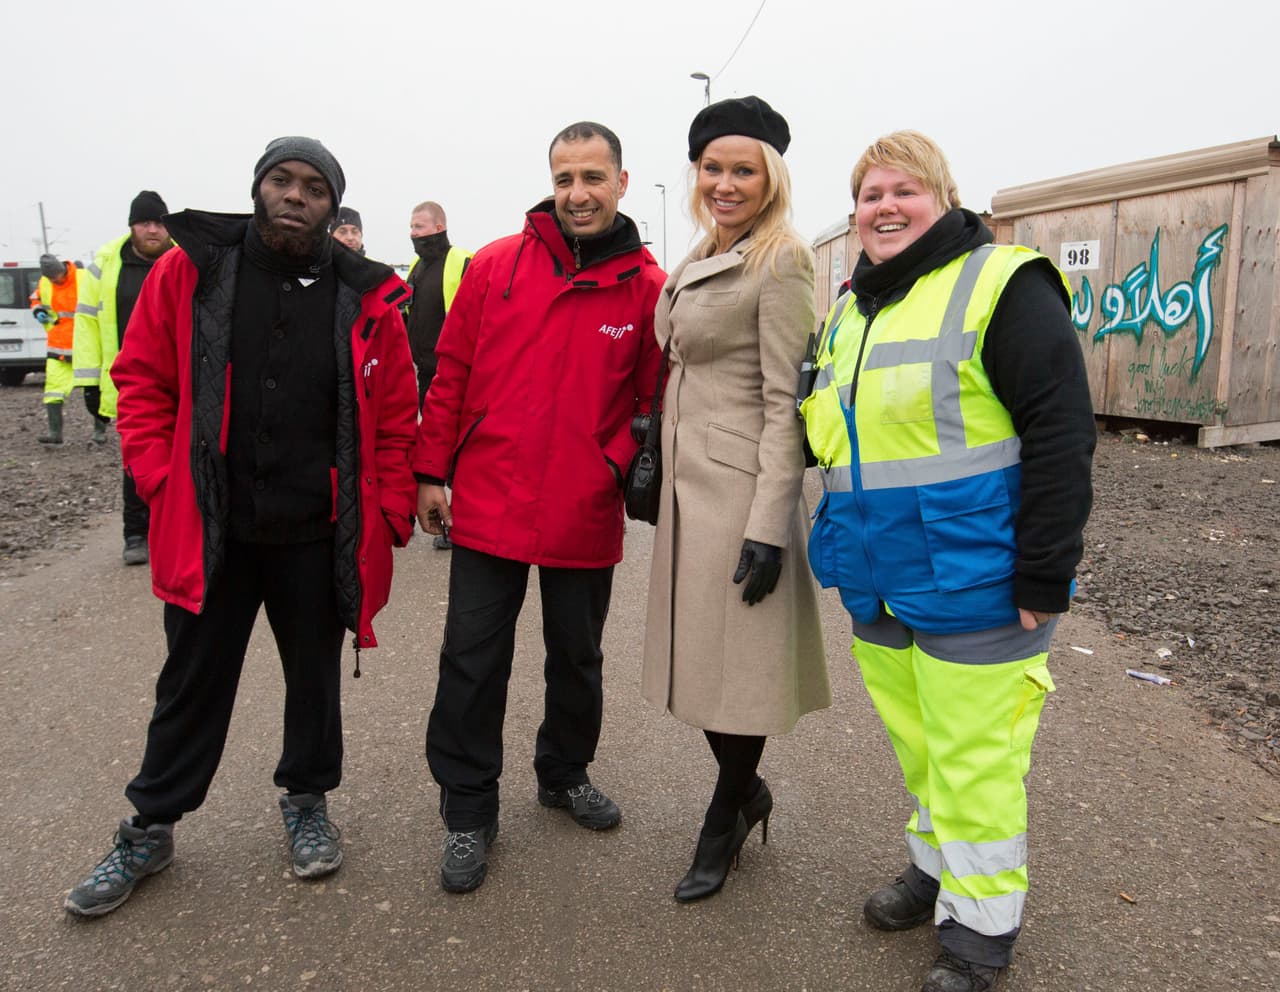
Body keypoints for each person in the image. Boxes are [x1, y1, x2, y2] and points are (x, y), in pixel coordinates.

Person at [62, 136, 418, 918]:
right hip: (214, 528)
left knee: (314, 682)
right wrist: (160, 483)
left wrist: (391, 507)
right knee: (190, 684)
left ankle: (307, 801)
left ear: (332, 206)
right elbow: (141, 381)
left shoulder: (364, 296)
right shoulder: (192, 273)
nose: (296, 196)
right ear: (258, 188)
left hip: (315, 531)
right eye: (282, 181)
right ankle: (150, 825)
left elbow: (396, 414)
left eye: (315, 188)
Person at [800, 130, 1095, 992]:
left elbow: (1061, 431)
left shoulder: (1002, 284)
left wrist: (1046, 571)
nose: (885, 207)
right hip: (878, 581)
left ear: (944, 197)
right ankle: (936, 869)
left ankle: (980, 931)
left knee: (976, 762)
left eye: (905, 190)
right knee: (924, 748)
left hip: (978, 579)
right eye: (870, 195)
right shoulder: (851, 310)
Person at [413, 121, 665, 894]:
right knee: (471, 659)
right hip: (489, 500)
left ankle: (563, 772)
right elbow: (450, 373)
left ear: (622, 183)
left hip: (583, 505)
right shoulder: (494, 267)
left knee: (577, 657)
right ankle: (468, 806)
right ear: (550, 183)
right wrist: (430, 473)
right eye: (564, 179)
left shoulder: (648, 289)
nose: (577, 194)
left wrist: (610, 465)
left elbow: (650, 401)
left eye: (592, 177)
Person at [640, 96, 831, 903]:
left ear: (771, 177)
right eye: (712, 168)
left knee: (738, 671)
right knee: (699, 666)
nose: (725, 183)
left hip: (741, 492)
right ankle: (748, 792)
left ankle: (725, 815)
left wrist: (770, 524)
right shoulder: (702, 252)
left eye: (742, 170)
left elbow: (787, 402)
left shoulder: (781, 259)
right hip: (690, 492)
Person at [73, 190, 174, 563]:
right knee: (138, 457)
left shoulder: (187, 259)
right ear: (132, 226)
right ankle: (135, 534)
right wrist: (88, 382)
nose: (153, 230)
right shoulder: (105, 266)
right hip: (129, 380)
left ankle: (178, 531)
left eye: (159, 223)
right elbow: (86, 324)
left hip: (178, 381)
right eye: (144, 223)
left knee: (182, 458)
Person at [405, 200, 473, 549]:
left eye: (419, 226)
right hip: (425, 373)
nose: (413, 233)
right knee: (432, 449)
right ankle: (441, 514)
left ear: (438, 227)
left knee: (460, 452)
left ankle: (462, 522)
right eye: (411, 227)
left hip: (458, 374)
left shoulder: (460, 260)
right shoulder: (416, 267)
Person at [30, 254, 81, 444]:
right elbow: (35, 299)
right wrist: (38, 311)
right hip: (57, 345)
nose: (54, 281)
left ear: (62, 270)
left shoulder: (83, 278)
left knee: (94, 389)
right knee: (53, 390)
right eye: (50, 278)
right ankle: (55, 433)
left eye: (55, 276)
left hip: (84, 345)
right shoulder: (45, 283)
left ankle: (99, 432)